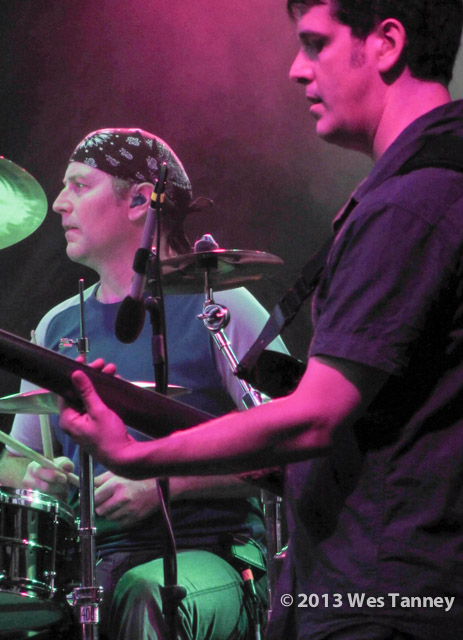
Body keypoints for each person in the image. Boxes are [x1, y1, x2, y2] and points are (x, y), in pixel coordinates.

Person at [56, 1, 463, 639]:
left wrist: (140, 458)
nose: (296, 69)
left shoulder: (408, 207)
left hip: (386, 595)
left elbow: (313, 418)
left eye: (315, 44)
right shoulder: (440, 183)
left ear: (387, 42)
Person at [0, 128, 289, 639]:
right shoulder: (55, 326)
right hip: (89, 563)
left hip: (217, 555)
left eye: (78, 186)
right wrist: (34, 477)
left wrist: (165, 486)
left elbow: (292, 446)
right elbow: (13, 460)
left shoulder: (221, 304)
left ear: (139, 200)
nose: (59, 204)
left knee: (144, 594)